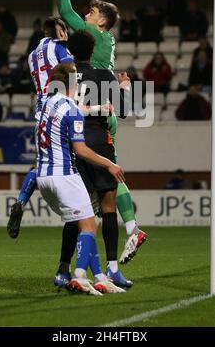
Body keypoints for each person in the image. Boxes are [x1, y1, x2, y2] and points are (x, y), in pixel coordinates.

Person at [45, 0, 147, 265]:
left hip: (94, 106)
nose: (86, 14)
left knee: (101, 180)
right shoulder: (104, 39)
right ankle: (128, 230)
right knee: (104, 176)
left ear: (101, 21)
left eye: (92, 11)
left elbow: (64, 9)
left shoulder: (95, 34)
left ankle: (126, 233)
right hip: (101, 101)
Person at [37, 62, 125, 295]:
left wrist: (96, 107)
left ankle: (99, 278)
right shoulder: (72, 109)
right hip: (64, 174)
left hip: (43, 176)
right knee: (88, 226)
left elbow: (78, 108)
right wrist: (110, 163)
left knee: (86, 221)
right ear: (73, 82)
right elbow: (81, 150)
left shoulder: (45, 104)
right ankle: (79, 275)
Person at [60, 30, 133, 289]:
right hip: (99, 144)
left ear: (71, 50)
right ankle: (112, 269)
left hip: (71, 145)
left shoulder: (64, 74)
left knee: (77, 210)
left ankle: (64, 269)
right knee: (108, 206)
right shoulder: (103, 75)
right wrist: (124, 87)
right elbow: (123, 111)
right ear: (92, 52)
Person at [7, 17, 73, 238]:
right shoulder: (60, 47)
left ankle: (20, 202)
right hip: (60, 105)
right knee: (74, 155)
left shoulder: (33, 54)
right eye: (65, 29)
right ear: (59, 31)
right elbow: (73, 73)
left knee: (41, 162)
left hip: (41, 109)